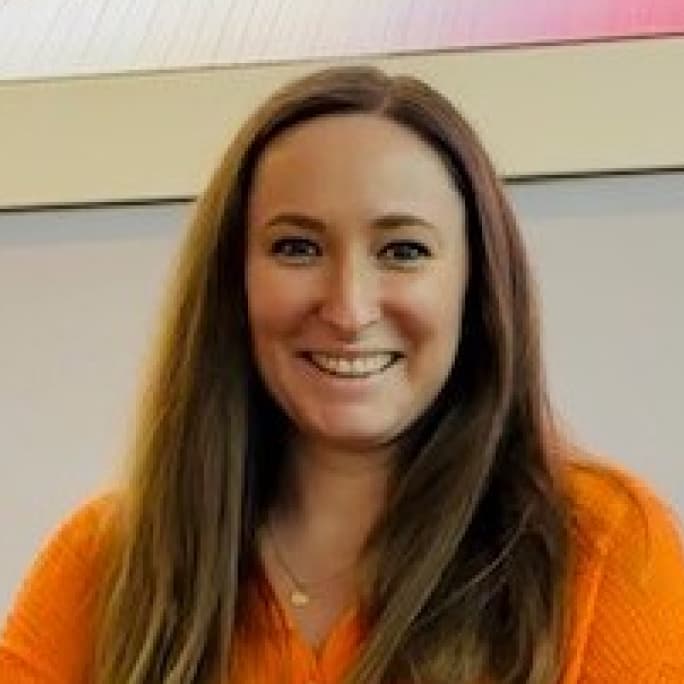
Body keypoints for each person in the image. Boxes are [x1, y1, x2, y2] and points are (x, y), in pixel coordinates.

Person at [1, 66, 683, 684]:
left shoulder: (601, 548)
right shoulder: (102, 560)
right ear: (233, 283)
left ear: (475, 287)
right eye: (296, 247)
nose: (349, 308)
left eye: (403, 250)